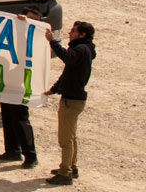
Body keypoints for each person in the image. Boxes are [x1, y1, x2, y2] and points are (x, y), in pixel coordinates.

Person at [44, 20, 96, 185]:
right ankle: (71, 167)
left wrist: (53, 41)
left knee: (65, 138)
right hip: (76, 99)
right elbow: (67, 73)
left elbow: (66, 58)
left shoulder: (80, 49)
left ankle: (65, 173)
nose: (70, 33)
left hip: (71, 100)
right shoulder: (84, 50)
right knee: (71, 136)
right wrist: (53, 89)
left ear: (82, 34)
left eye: (73, 31)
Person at [0, 8, 41, 168]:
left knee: (21, 119)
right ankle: (12, 150)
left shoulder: (38, 39)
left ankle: (30, 155)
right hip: (9, 81)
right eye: (29, 19)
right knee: (8, 118)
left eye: (34, 20)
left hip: (22, 85)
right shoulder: (13, 35)